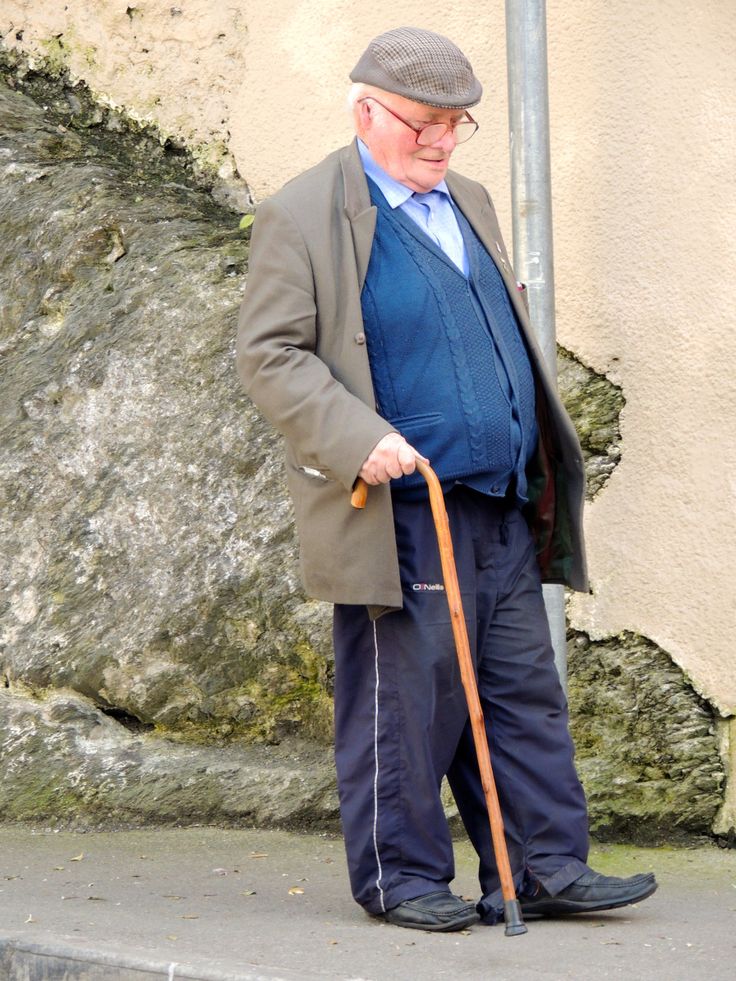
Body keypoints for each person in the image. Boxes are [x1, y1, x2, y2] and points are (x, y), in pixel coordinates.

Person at [236, 26, 657, 933]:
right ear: (366, 111)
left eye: (456, 124)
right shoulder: (306, 212)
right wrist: (359, 436)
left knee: (521, 691)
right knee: (406, 698)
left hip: (498, 496)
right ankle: (402, 876)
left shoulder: (464, 197)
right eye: (424, 123)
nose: (440, 141)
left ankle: (539, 867)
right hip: (400, 504)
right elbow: (270, 355)